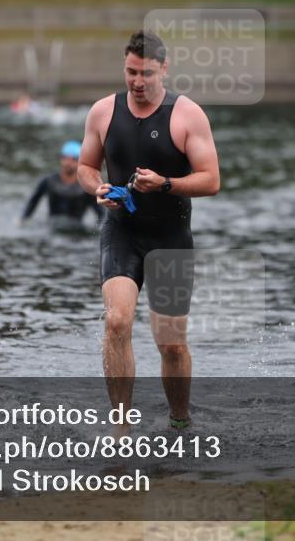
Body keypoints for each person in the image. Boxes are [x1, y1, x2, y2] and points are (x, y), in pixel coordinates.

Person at [77, 30, 220, 433]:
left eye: (147, 74)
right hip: (121, 231)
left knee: (171, 344)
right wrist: (97, 188)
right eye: (131, 72)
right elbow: (87, 167)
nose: (138, 82)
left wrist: (166, 184)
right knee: (117, 322)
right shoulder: (103, 112)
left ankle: (179, 420)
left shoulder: (187, 115)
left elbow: (211, 180)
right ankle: (121, 426)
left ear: (164, 69)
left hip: (171, 238)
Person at [21, 141, 102, 231]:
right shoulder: (49, 181)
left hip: (76, 230)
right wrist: (23, 220)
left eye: (74, 159)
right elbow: (33, 201)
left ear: (80, 161)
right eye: (65, 158)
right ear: (61, 159)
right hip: (52, 227)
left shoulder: (86, 187)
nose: (68, 163)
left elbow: (100, 211)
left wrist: (100, 230)